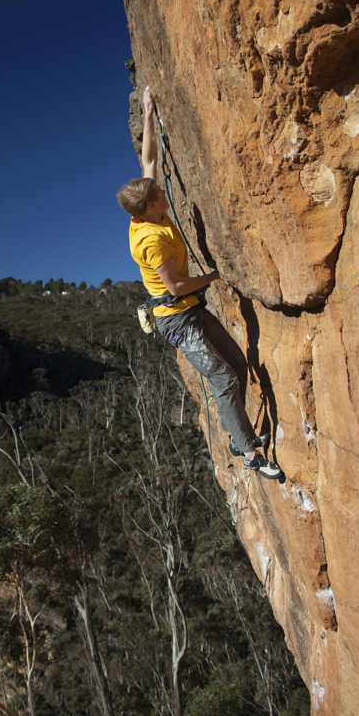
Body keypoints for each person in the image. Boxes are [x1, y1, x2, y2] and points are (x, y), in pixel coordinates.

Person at [117, 86, 282, 480]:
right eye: (160, 195)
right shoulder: (151, 240)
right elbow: (174, 288)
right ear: (152, 206)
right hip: (177, 319)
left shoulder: (147, 209)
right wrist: (211, 276)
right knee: (222, 376)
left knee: (239, 365)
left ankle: (235, 431)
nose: (163, 193)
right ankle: (248, 453)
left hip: (192, 309)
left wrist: (148, 112)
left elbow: (150, 158)